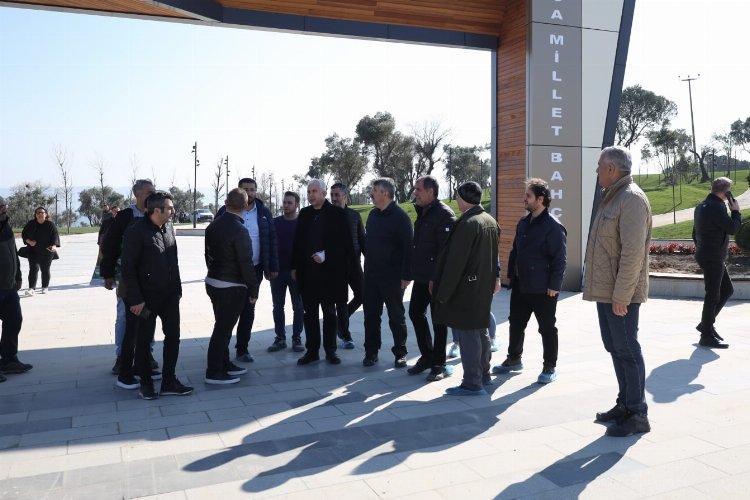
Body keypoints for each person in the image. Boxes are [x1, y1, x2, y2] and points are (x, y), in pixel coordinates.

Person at [584, 146, 652, 437]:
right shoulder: (613, 196)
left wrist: (622, 296)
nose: (596, 171)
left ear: (611, 169)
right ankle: (625, 404)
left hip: (620, 294)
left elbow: (632, 254)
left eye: (599, 166)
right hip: (606, 290)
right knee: (615, 347)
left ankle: (637, 414)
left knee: (627, 349)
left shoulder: (631, 199)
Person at [119, 191, 193, 400]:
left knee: (173, 336)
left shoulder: (168, 227)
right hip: (145, 297)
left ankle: (169, 381)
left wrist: (177, 290)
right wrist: (136, 299)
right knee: (143, 340)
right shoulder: (136, 231)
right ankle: (146, 383)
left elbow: (173, 261)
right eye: (169, 208)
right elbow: (128, 268)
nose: (173, 211)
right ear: (156, 210)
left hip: (170, 295)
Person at [492, 178, 567, 384]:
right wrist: (511, 276)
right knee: (516, 323)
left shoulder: (553, 227)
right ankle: (514, 359)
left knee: (547, 328)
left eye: (528, 195)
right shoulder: (523, 223)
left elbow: (560, 259)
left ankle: (549, 367)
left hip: (543, 288)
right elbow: (515, 251)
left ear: (540, 199)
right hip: (521, 285)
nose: (524, 199)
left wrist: (554, 285)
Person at [433, 182, 500, 396]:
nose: (456, 199)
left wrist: (443, 292)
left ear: (463, 198)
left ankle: (472, 382)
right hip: (483, 285)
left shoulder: (468, 223)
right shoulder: (489, 220)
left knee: (468, 333)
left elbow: (456, 262)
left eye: (457, 196)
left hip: (467, 288)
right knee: (481, 330)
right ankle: (484, 375)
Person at [291, 179, 353, 365]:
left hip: (330, 274)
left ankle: (330, 351)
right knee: (309, 313)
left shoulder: (337, 214)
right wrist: (294, 267)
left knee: (329, 313)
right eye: (309, 191)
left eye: (315, 191)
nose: (311, 195)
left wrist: (326, 255)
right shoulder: (305, 214)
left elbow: (345, 244)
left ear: (324, 194)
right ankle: (312, 351)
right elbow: (298, 243)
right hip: (308, 274)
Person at [217, 178, 279, 363]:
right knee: (228, 312)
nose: (249, 193)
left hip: (255, 269)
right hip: (231, 272)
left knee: (248, 309)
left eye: (252, 189)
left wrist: (272, 266)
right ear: (239, 191)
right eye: (246, 189)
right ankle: (221, 351)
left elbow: (272, 239)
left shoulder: (264, 212)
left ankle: (242, 349)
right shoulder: (225, 211)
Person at [100, 179, 156, 375]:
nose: (152, 195)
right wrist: (107, 273)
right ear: (137, 194)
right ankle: (122, 357)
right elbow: (110, 245)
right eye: (149, 192)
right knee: (124, 316)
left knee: (148, 316)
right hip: (128, 278)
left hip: (151, 277)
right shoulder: (125, 217)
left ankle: (147, 354)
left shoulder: (156, 213)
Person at [204, 188, 259, 384]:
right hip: (231, 286)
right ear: (245, 206)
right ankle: (214, 371)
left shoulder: (212, 226)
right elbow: (246, 263)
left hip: (213, 281)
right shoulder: (240, 230)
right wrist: (253, 289)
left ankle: (224, 363)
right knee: (223, 330)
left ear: (226, 203)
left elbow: (207, 256)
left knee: (222, 326)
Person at [406, 175, 456, 381]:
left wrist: (436, 278)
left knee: (439, 320)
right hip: (422, 276)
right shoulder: (423, 211)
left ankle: (439, 364)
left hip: (437, 278)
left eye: (418, 189)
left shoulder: (444, 214)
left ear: (430, 192)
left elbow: (446, 251)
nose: (415, 193)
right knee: (415, 312)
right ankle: (427, 356)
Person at [362, 178, 413, 368]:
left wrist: (406, 276)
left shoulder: (401, 217)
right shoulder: (373, 215)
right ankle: (371, 352)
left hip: (393, 277)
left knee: (396, 316)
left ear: (385, 193)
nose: (371, 193)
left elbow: (409, 248)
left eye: (374, 190)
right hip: (371, 276)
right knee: (370, 316)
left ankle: (400, 353)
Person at [692, 177, 741, 349]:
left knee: (726, 290)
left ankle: (705, 324)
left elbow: (694, 233)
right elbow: (733, 228)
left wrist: (703, 249)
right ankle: (706, 335)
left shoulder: (701, 206)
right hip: (713, 257)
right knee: (712, 295)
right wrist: (736, 211)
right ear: (726, 193)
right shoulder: (716, 207)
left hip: (707, 255)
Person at [267, 191, 305, 353]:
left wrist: (300, 269)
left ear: (297, 204)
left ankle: (297, 338)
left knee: (298, 307)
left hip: (296, 273)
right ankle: (280, 338)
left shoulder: (302, 223)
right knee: (278, 306)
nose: (286, 205)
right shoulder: (274, 222)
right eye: (284, 202)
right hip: (277, 272)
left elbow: (306, 248)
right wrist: (270, 268)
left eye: (290, 203)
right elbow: (268, 246)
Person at [0, 197, 33, 382]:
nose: (4, 209)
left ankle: (9, 360)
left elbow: (13, 251)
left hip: (9, 285)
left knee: (14, 319)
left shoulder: (6, 226)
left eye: (4, 205)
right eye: (0, 206)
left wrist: (18, 276)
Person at [330, 182, 365, 350]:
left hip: (354, 264)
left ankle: (339, 322)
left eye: (337, 195)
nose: (334, 198)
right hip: (336, 267)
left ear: (345, 196)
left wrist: (371, 260)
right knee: (341, 301)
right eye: (332, 195)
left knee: (363, 295)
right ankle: (345, 335)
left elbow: (362, 240)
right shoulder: (327, 216)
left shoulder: (354, 216)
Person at [21, 207, 60, 295]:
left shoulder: (50, 225)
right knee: (33, 268)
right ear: (35, 215)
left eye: (42, 212)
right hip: (33, 250)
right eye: (38, 212)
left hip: (47, 250)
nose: (40, 214)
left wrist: (54, 245)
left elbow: (55, 235)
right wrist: (29, 241)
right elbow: (24, 234)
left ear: (46, 214)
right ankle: (31, 289)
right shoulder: (31, 224)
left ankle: (45, 287)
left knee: (45, 269)